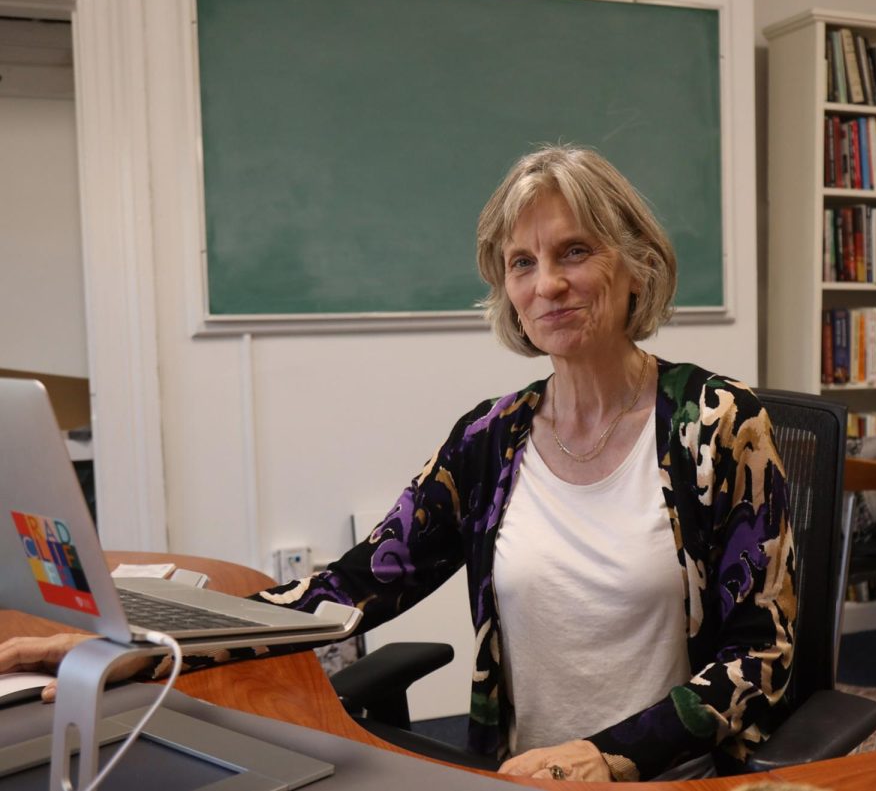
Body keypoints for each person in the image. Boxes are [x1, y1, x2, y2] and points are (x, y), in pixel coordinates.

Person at [0, 146, 795, 782]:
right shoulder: (492, 439)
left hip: (668, 773)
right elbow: (351, 585)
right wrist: (145, 643)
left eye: (574, 251)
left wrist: (611, 754)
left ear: (633, 265)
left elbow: (763, 653)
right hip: (514, 774)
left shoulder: (718, 425)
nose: (547, 284)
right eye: (522, 262)